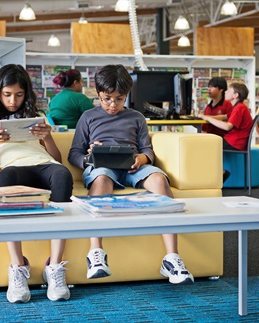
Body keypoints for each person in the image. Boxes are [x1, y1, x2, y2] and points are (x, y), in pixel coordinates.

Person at [68, 64, 194, 285]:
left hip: (134, 167)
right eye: (107, 98)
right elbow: (74, 154)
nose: (113, 104)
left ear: (127, 95)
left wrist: (142, 159)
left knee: (159, 179)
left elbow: (147, 150)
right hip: (101, 167)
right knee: (102, 178)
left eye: (119, 99)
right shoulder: (87, 117)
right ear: (98, 94)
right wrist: (89, 157)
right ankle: (96, 253)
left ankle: (172, 257)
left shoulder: (136, 117)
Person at [0, 64, 73, 303]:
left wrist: (47, 137)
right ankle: (18, 267)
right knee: (5, 177)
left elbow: (56, 160)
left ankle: (55, 266)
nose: (13, 101)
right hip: (15, 171)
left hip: (44, 166)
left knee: (63, 174)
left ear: (26, 94)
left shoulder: (37, 118)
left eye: (19, 94)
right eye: (7, 94)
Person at [198, 82, 253, 182]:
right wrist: (206, 117)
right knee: (205, 138)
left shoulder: (239, 108)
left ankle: (221, 172)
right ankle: (215, 174)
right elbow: (224, 117)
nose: (226, 92)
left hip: (235, 142)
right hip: (234, 140)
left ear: (235, 95)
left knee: (203, 144)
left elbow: (227, 126)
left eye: (229, 91)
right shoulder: (238, 107)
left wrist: (207, 118)